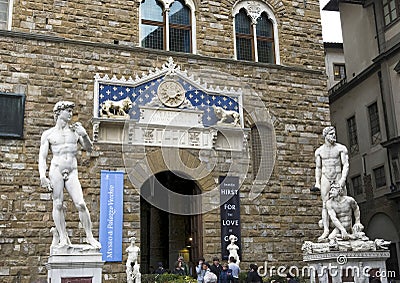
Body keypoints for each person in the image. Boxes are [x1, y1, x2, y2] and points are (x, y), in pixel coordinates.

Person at [38, 101, 101, 248]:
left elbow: (89, 148)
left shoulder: (75, 131)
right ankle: (63, 238)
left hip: (72, 171)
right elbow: (42, 157)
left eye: (72, 111)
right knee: (58, 204)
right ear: (59, 112)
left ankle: (89, 237)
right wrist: (42, 175)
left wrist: (84, 135)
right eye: (68, 111)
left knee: (80, 203)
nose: (71, 114)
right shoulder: (48, 134)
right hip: (56, 170)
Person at [313, 126, 349, 241]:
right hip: (325, 177)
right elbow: (318, 168)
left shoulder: (341, 148)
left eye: (334, 133)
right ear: (325, 136)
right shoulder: (319, 151)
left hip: (338, 176)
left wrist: (342, 180)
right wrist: (317, 182)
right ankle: (326, 230)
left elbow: (346, 165)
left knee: (342, 201)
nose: (334, 136)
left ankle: (345, 228)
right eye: (331, 134)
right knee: (325, 204)